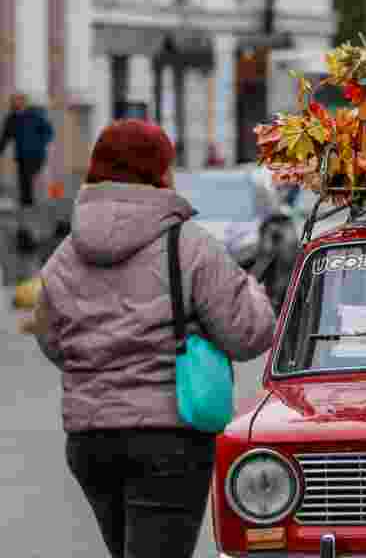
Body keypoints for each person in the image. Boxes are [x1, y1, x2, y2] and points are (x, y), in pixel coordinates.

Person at [22, 119, 277, 558]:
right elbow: (249, 334)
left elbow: (50, 337)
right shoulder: (189, 246)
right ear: (160, 172)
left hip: (91, 440)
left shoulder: (64, 255)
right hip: (169, 437)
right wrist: (252, 290)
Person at [0, 92, 55, 250]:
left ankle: (35, 215)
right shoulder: (12, 119)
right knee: (25, 187)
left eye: (18, 102)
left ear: (23, 103)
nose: (15, 105)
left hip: (36, 156)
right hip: (22, 157)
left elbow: (48, 131)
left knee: (30, 184)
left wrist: (40, 144)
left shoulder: (34, 115)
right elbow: (5, 138)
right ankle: (27, 217)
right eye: (13, 103)